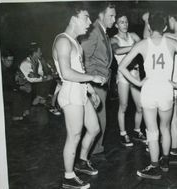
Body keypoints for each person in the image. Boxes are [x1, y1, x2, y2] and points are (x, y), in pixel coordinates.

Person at [119, 12, 177, 179]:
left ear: (149, 26)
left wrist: (138, 83)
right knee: (166, 128)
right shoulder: (172, 42)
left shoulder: (142, 44)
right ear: (166, 27)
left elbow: (122, 67)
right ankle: (165, 161)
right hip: (166, 91)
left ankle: (154, 167)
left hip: (149, 90)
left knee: (152, 132)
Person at [52, 4, 106, 189]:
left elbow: (79, 71)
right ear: (73, 19)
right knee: (74, 135)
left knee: (94, 128)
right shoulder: (62, 41)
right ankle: (68, 177)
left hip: (81, 91)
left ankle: (82, 161)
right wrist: (92, 78)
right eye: (86, 17)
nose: (89, 22)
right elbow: (66, 73)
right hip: (70, 91)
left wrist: (90, 90)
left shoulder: (76, 43)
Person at [143, 10, 177, 164]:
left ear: (172, 19)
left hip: (173, 84)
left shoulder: (171, 37)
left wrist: (147, 22)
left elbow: (150, 38)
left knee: (172, 123)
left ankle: (173, 153)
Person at [81, 2, 116, 155]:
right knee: (96, 119)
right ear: (101, 15)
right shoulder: (94, 31)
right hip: (95, 82)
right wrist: (91, 80)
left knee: (100, 116)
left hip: (101, 80)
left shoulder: (102, 31)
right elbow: (85, 58)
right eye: (111, 16)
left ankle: (94, 150)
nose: (114, 19)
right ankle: (90, 152)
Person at [110, 14, 146, 147]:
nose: (124, 24)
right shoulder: (114, 39)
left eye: (126, 22)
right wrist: (134, 48)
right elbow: (117, 51)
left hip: (135, 74)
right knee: (123, 106)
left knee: (140, 106)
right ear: (116, 25)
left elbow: (144, 44)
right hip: (123, 76)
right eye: (121, 22)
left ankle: (137, 131)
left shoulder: (134, 36)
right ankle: (123, 134)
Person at [1, 49, 31, 122]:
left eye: (12, 60)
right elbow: (5, 85)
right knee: (17, 95)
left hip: (11, 87)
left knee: (27, 90)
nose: (10, 63)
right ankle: (16, 116)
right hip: (1, 91)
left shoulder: (11, 67)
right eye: (8, 60)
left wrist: (25, 84)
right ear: (2, 59)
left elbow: (17, 79)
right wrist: (20, 87)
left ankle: (25, 111)